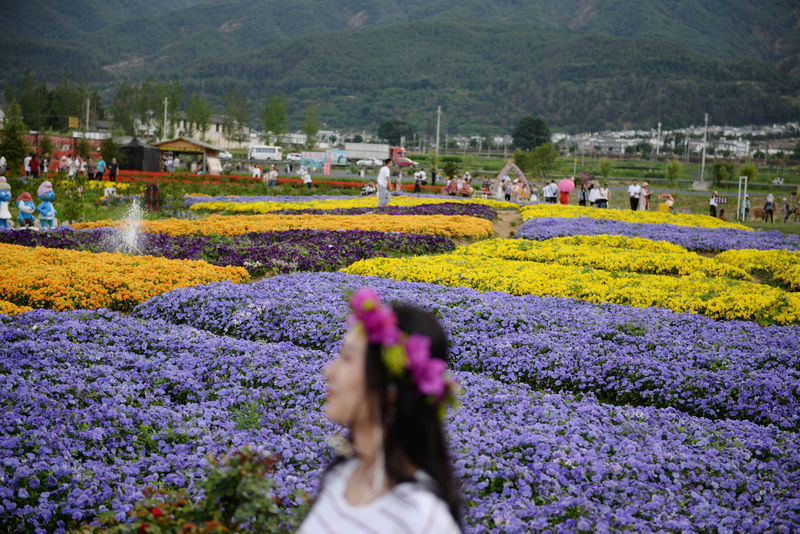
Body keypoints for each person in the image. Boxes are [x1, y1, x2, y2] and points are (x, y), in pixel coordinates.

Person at [298, 289, 461, 534]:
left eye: (348, 358)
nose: (328, 372)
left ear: (391, 389)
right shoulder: (342, 476)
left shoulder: (421, 520)